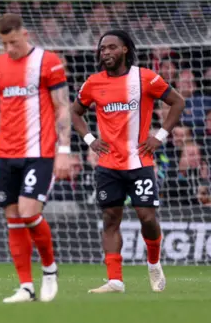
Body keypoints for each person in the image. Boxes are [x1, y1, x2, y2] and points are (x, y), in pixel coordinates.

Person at [71, 30, 185, 294]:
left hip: (140, 161)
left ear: (124, 50)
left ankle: (154, 262)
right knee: (110, 219)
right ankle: (115, 280)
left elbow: (177, 102)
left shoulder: (144, 77)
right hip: (108, 165)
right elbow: (75, 112)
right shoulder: (93, 83)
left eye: (112, 47)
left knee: (147, 218)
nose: (106, 52)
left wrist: (160, 135)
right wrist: (89, 139)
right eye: (102, 49)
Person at [0, 13, 72, 303]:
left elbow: (62, 107)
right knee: (13, 218)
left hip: (39, 152)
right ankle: (26, 287)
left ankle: (50, 270)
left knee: (29, 212)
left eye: (14, 42)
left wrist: (64, 150)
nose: (9, 49)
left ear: (25, 34)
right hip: (6, 153)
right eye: (4, 43)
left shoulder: (49, 61)